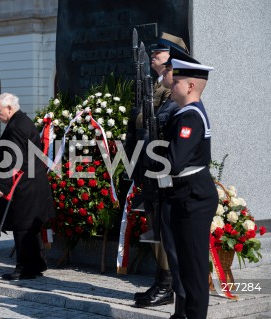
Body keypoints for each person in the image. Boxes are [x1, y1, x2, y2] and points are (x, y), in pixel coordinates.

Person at [129, 33, 189, 309]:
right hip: (150, 166)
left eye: (160, 52)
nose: (153, 55)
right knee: (156, 228)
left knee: (165, 231)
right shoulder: (156, 85)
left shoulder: (174, 91)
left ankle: (167, 285)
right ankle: (160, 281)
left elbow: (151, 120)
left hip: (165, 167)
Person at [161, 58, 218, 319]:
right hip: (182, 192)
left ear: (191, 86)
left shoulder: (191, 117)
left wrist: (148, 154)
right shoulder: (183, 113)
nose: (172, 84)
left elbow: (174, 161)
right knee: (182, 265)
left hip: (192, 195)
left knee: (194, 270)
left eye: (178, 81)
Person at [0, 93, 55, 280]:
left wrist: (2, 186)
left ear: (9, 108)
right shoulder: (22, 121)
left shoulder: (16, 127)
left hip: (25, 184)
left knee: (22, 226)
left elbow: (13, 160)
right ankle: (36, 264)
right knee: (30, 226)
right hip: (32, 182)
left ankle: (24, 267)